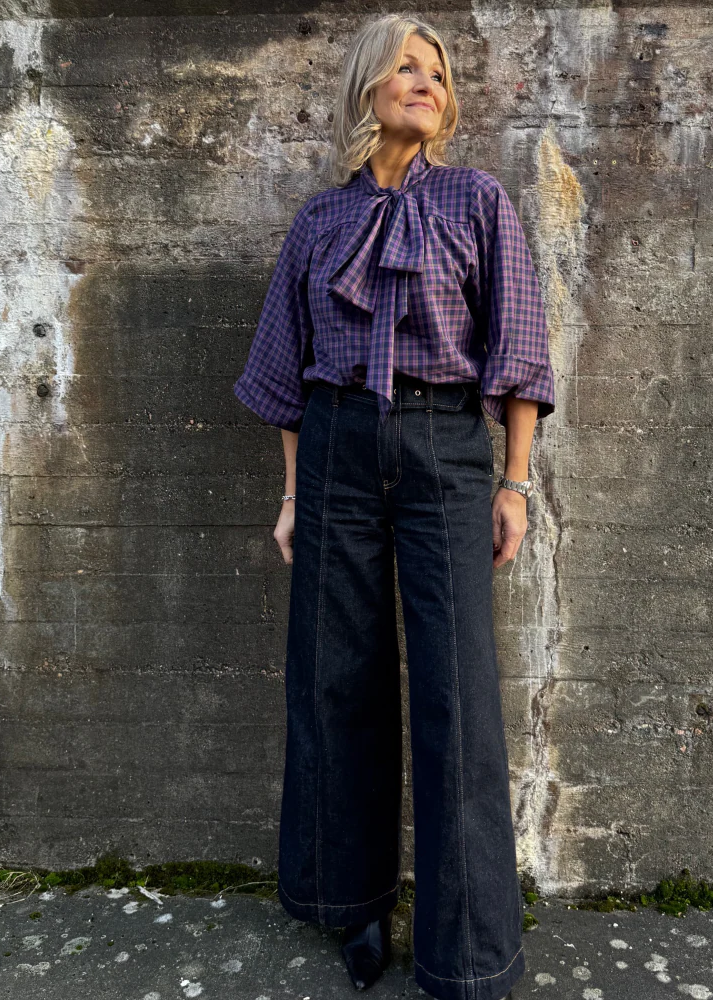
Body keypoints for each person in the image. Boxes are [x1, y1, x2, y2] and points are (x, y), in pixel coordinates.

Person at [234, 13, 555, 1000]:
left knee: (457, 692)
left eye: (438, 73)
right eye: (407, 67)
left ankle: (468, 950)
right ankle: (354, 902)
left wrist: (513, 482)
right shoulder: (319, 221)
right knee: (336, 680)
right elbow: (285, 373)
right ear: (368, 86)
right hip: (335, 449)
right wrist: (294, 494)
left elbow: (518, 352)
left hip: (442, 449)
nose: (426, 82)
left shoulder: (476, 200)